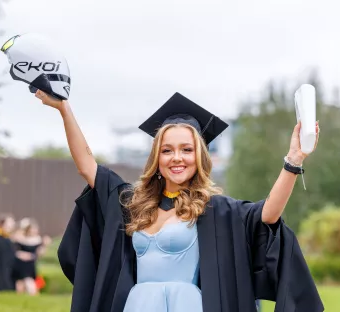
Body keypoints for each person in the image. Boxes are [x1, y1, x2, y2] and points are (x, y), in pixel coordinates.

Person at [35, 90, 323, 312]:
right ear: (156, 158)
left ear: (199, 157)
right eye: (167, 150)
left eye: (186, 149)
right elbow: (87, 166)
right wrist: (64, 108)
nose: (177, 158)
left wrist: (293, 161)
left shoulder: (215, 210)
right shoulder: (133, 203)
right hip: (138, 305)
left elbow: (268, 215)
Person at [12, 218, 51, 295]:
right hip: (21, 264)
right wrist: (22, 254)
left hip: (31, 265)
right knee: (20, 282)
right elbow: (15, 251)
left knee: (30, 281)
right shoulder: (20, 239)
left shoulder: (38, 240)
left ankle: (33, 294)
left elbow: (40, 254)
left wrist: (45, 245)